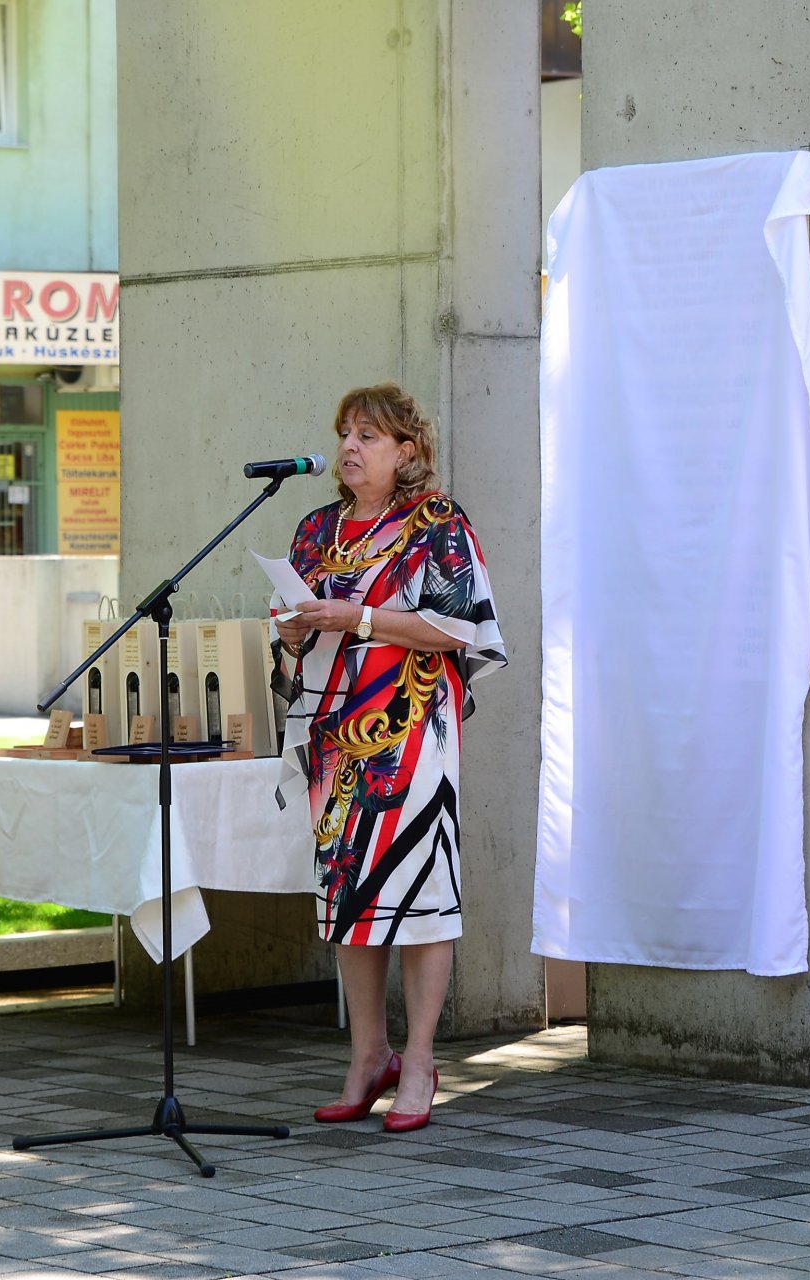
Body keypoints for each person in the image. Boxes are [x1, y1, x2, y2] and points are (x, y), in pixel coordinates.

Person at [274, 383, 507, 1133]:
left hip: (411, 731)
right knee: (350, 900)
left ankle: (424, 1057)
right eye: (344, 432)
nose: (349, 446)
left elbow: (461, 631)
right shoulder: (314, 531)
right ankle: (368, 1055)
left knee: (418, 893)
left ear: (407, 451)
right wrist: (292, 635)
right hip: (334, 734)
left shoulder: (436, 523)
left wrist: (362, 616)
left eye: (369, 435)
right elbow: (300, 631)